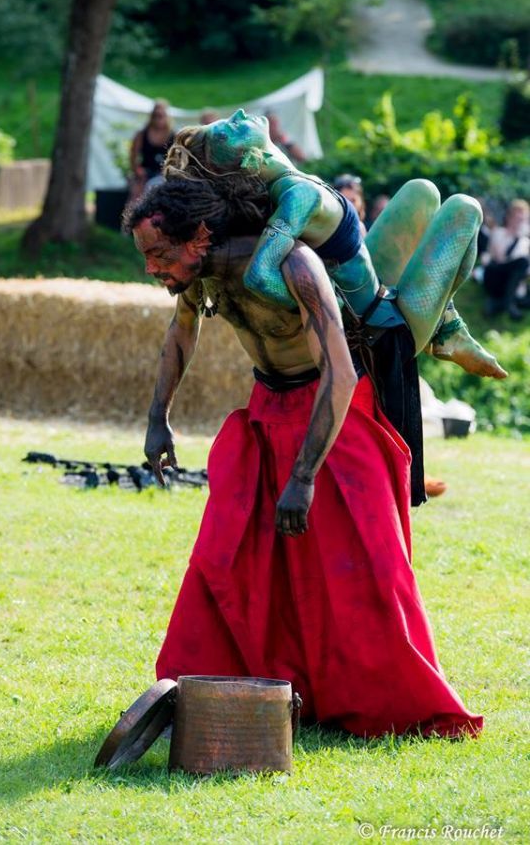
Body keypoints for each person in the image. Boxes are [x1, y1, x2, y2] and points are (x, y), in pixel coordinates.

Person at [124, 177, 483, 739]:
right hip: (268, 411)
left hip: (344, 401)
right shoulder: (200, 276)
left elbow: (339, 375)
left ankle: (447, 325)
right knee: (228, 558)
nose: (152, 269)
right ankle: (218, 690)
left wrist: (304, 476)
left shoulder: (293, 266)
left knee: (367, 573)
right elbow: (182, 333)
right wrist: (155, 417)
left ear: (199, 236)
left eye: (159, 255)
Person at [164, 111, 505, 383]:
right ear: (247, 161)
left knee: (423, 192)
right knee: (465, 208)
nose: (238, 114)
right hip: (380, 331)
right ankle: (446, 334)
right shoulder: (297, 196)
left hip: (372, 294)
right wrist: (328, 310)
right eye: (226, 131)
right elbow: (259, 276)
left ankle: (446, 325)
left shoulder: (287, 189)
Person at [483, 199, 530, 320]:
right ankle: (509, 303)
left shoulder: (525, 242)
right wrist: (516, 239)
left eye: (522, 219)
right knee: (522, 261)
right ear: (509, 217)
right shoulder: (498, 233)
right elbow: (500, 259)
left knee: (523, 262)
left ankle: (501, 303)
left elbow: (524, 271)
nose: (519, 222)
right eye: (517, 218)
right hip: (495, 275)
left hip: (511, 283)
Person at [128, 100, 175, 202]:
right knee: (136, 197)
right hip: (146, 173)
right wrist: (137, 170)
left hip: (165, 173)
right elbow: (133, 154)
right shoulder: (142, 134)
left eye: (161, 115)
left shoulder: (173, 135)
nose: (158, 119)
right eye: (155, 115)